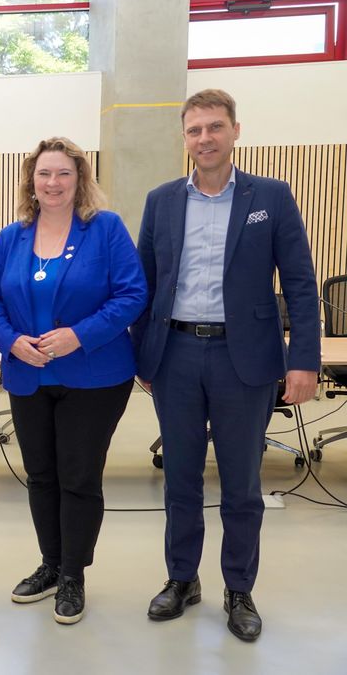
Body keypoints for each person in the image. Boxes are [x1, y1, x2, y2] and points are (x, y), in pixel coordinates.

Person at [132, 89, 320, 642]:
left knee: (241, 485)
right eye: (194, 130)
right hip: (178, 356)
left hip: (248, 360)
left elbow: (303, 286)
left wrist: (303, 359)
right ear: (184, 138)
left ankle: (239, 588)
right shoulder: (162, 199)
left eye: (215, 127)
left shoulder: (272, 197)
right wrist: (146, 352)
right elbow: (143, 285)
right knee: (181, 481)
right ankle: (182, 579)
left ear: (236, 130)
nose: (205, 139)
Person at [0, 136, 147, 624]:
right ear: (31, 181)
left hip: (93, 375)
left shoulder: (106, 229)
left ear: (81, 180)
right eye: (44, 174)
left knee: (78, 476)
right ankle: (50, 564)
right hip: (27, 374)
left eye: (63, 174)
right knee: (40, 475)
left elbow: (132, 294)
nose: (53, 183)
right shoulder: (12, 236)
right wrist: (10, 341)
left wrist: (80, 335)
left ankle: (74, 574)